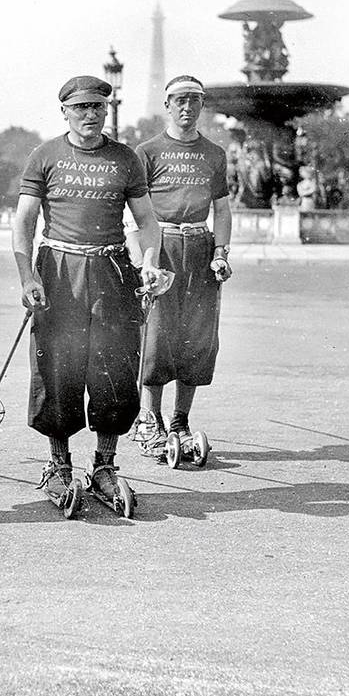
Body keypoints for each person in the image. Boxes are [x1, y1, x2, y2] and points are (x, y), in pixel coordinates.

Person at [12, 75, 161, 509]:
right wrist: (27, 277)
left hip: (112, 269)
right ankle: (59, 466)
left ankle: (104, 466)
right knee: (58, 367)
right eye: (80, 108)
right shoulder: (45, 155)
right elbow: (24, 223)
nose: (90, 115)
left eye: (97, 107)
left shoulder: (126, 159)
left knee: (114, 367)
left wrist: (149, 262)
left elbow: (147, 221)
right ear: (65, 112)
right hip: (59, 270)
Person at [130, 75, 232, 458]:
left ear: (201, 106)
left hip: (200, 247)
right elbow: (136, 211)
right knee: (157, 336)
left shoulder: (214, 154)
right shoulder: (148, 151)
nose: (187, 107)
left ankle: (180, 420)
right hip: (163, 245)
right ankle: (150, 419)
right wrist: (142, 257)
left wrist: (221, 252)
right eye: (179, 100)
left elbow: (221, 208)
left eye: (194, 100)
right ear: (167, 105)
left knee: (197, 337)